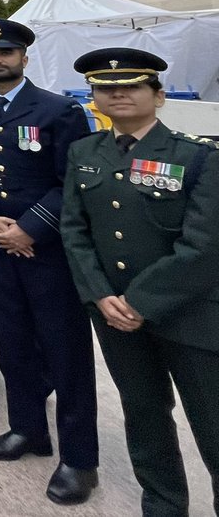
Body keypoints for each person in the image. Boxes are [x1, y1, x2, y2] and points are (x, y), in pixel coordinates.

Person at [62, 49, 219, 517]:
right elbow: (75, 230)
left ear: (159, 95)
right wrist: (99, 296)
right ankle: (163, 503)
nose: (117, 93)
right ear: (94, 100)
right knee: (145, 415)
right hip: (113, 315)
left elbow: (205, 246)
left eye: (131, 86)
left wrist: (138, 302)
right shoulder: (85, 153)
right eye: (106, 88)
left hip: (189, 314)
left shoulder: (199, 155)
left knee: (212, 424)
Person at [0, 18, 98, 506]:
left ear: (24, 57)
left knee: (65, 352)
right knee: (11, 341)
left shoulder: (58, 111)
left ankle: (79, 459)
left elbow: (71, 181)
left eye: (5, 52)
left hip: (46, 251)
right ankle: (28, 429)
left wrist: (28, 228)